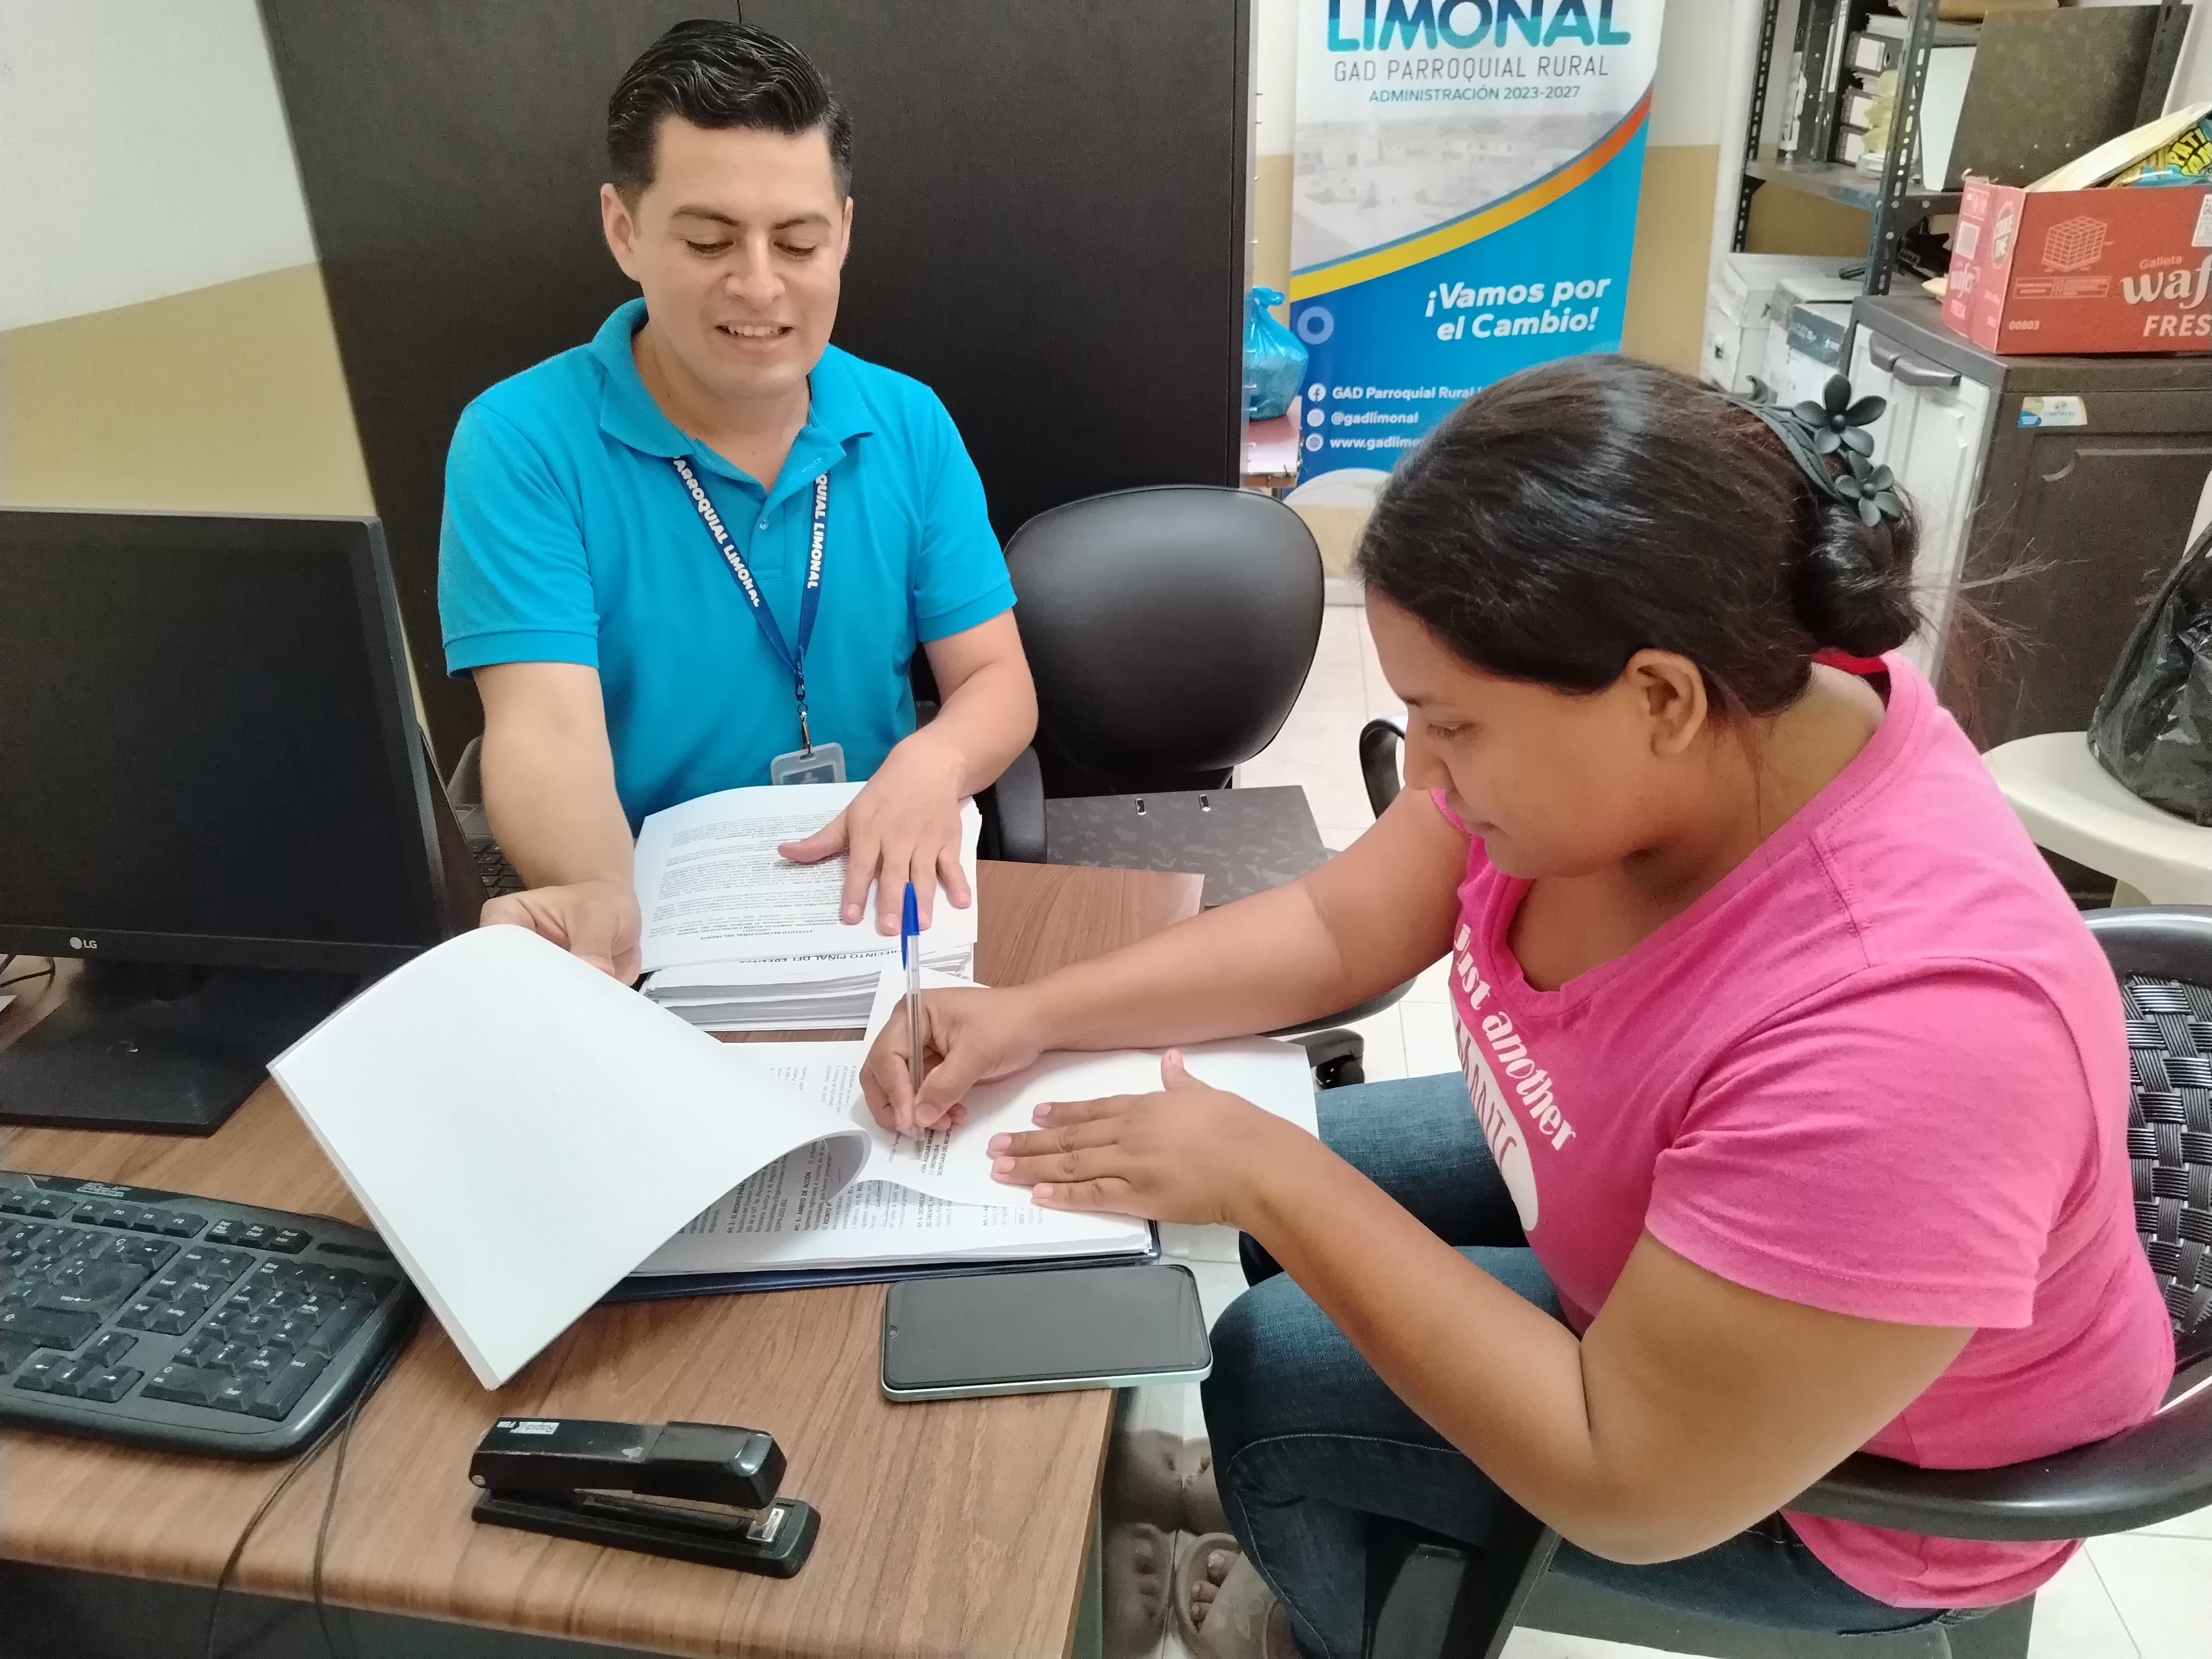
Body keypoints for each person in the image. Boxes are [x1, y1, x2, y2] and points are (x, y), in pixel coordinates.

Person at [859, 357, 2176, 1659]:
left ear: (1657, 699)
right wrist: (1032, 1013)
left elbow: (1630, 1478)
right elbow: (1337, 925)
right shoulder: (1712, 696)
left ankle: (1319, 1614)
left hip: (1832, 1492)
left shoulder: (1907, 1037)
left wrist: (1271, 1179)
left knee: (1274, 1361)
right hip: (1652, 1202)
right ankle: (1338, 1501)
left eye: (1451, 726)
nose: (1420, 773)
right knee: (1265, 1193)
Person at [438, 20, 1035, 980]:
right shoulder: (521, 441)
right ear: (624, 231)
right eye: (710, 241)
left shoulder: (908, 422)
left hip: (867, 895)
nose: (760, 287)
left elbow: (996, 679)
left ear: (843, 233)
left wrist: (934, 764)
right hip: (661, 914)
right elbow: (545, 729)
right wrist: (602, 897)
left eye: (798, 243)